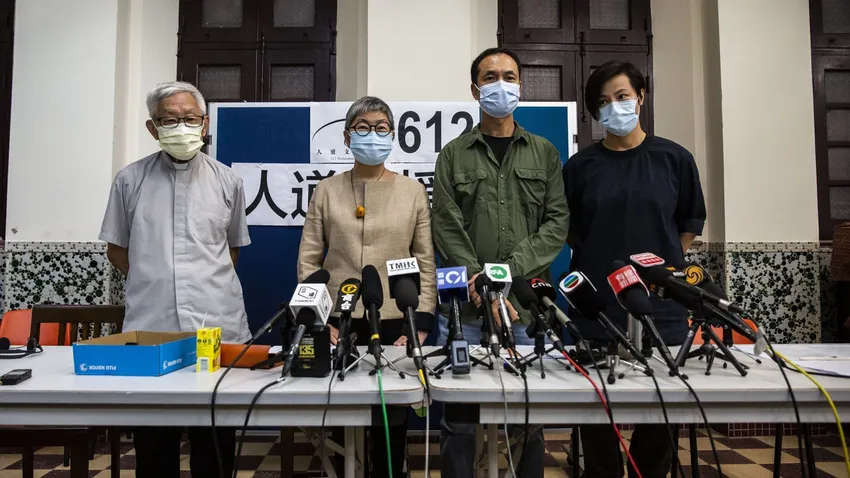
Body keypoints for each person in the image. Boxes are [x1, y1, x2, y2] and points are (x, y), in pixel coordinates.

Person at [563, 61, 707, 478]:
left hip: (662, 309)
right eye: (603, 102)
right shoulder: (580, 167)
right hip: (597, 309)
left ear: (641, 97)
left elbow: (688, 226)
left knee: (660, 418)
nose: (614, 107)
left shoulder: (674, 158)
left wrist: (657, 268)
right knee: (595, 417)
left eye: (622, 96)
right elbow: (571, 232)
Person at [99, 81, 250, 478]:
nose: (181, 127)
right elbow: (116, 249)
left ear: (204, 124)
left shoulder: (228, 181)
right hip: (152, 327)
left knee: (215, 445)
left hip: (215, 326)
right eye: (169, 120)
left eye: (190, 119)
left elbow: (232, 251)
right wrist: (156, 278)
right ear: (153, 128)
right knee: (154, 446)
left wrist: (198, 278)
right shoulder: (129, 180)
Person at [432, 47, 570, 478]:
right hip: (467, 308)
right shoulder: (453, 154)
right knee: (459, 421)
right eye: (490, 77)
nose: (500, 85)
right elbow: (446, 224)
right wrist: (481, 281)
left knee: (528, 417)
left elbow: (556, 223)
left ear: (520, 86)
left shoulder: (544, 152)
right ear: (475, 90)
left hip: (525, 309)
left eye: (509, 77)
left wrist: (505, 273)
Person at [297, 96, 437, 478]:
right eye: (362, 128)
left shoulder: (413, 191)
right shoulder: (326, 190)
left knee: (392, 419)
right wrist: (317, 320)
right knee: (342, 414)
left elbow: (425, 260)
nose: (372, 135)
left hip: (395, 317)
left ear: (393, 136)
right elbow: (309, 260)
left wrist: (421, 322)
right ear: (347, 137)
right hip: (338, 318)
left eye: (381, 128)